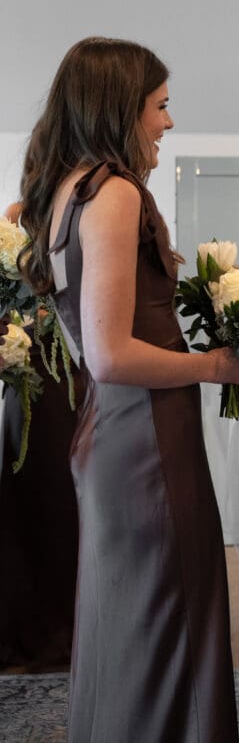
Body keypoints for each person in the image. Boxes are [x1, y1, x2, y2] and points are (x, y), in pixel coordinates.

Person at [18, 37, 239, 743]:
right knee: (170, 619)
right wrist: (212, 366)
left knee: (134, 625)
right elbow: (110, 354)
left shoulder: (68, 190)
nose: (167, 122)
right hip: (147, 438)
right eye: (160, 106)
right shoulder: (114, 194)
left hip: (117, 432)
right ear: (119, 106)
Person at [0, 201, 81, 671]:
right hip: (28, 374)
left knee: (69, 500)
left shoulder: (87, 211)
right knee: (26, 497)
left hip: (78, 373)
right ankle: (28, 629)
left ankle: (75, 627)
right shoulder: (17, 216)